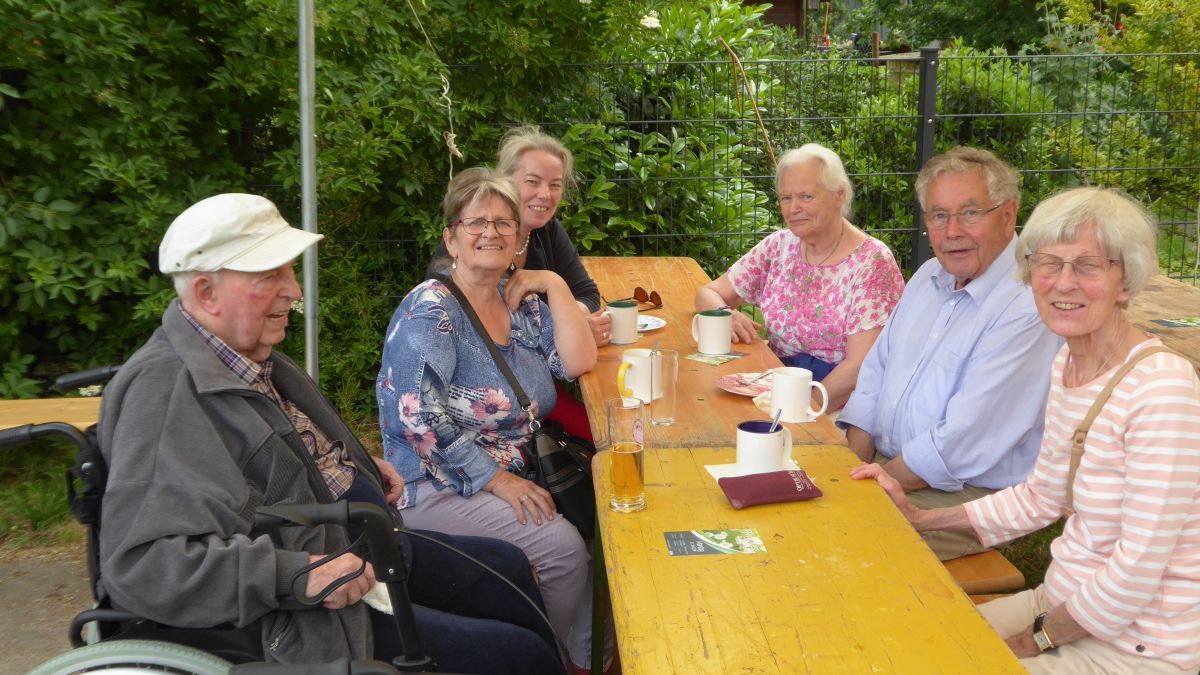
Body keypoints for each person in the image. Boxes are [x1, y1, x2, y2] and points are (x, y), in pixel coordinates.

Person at [97, 193, 562, 673]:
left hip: (361, 541)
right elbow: (146, 566)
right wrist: (299, 574)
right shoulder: (166, 396)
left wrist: (358, 467)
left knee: (508, 570)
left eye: (289, 271)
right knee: (519, 657)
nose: (294, 291)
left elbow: (277, 458)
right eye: (270, 276)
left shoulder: (244, 356)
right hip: (311, 602)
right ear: (205, 292)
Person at [853, 186, 1200, 673]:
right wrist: (920, 519)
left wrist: (1033, 640)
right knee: (896, 643)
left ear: (1126, 282)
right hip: (1060, 601)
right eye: (1048, 264)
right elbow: (1042, 497)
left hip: (1138, 644)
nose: (1063, 283)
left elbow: (1137, 571)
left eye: (1088, 266)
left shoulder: (1161, 389)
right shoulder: (1069, 365)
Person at [379, 168, 602, 672]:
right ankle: (539, 659)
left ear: (520, 240)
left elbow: (574, 362)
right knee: (564, 550)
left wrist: (553, 284)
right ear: (450, 238)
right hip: (436, 482)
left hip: (518, 469)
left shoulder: (519, 303)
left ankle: (590, 655)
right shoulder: (430, 311)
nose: (490, 233)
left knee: (603, 522)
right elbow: (417, 420)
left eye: (504, 224)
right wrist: (497, 480)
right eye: (476, 222)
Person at [838, 146, 1063, 560]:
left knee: (840, 543)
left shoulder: (1028, 303)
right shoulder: (929, 275)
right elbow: (874, 374)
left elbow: (961, 441)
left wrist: (867, 487)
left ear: (1009, 214)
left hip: (964, 494)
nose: (952, 230)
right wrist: (851, 467)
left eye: (970, 213)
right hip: (889, 468)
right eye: (939, 215)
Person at [694, 143, 904, 411]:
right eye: (786, 198)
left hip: (836, 405)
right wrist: (724, 313)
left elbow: (860, 367)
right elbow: (707, 294)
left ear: (839, 195)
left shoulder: (871, 262)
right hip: (776, 387)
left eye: (806, 196)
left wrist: (802, 409)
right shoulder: (779, 246)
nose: (793, 208)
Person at [429, 126, 603, 440]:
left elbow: (586, 296)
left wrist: (564, 307)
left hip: (535, 392)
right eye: (532, 181)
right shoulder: (460, 271)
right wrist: (565, 325)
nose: (545, 194)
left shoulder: (544, 231)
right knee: (604, 435)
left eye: (555, 185)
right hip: (489, 415)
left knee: (611, 430)